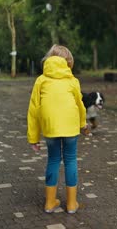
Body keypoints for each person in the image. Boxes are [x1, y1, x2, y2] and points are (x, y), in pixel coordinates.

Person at [27, 44, 88, 214]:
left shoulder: (41, 80)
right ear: (68, 62)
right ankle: (71, 204)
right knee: (70, 161)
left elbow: (33, 110)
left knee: (53, 160)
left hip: (50, 128)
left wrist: (33, 138)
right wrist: (83, 124)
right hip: (70, 127)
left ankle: (49, 203)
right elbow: (80, 105)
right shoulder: (72, 81)